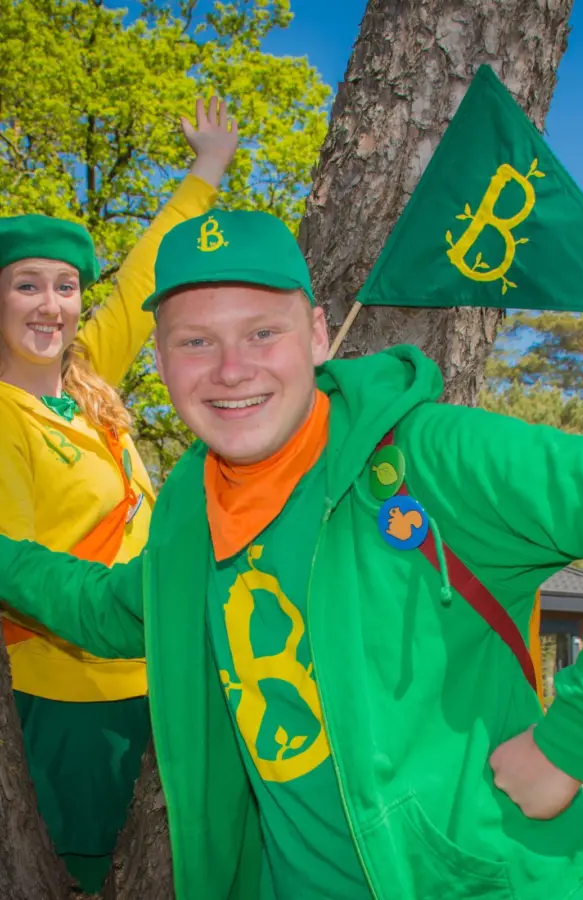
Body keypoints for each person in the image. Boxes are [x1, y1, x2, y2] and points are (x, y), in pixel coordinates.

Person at [0, 207, 583, 899]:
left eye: (263, 333)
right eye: (196, 341)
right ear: (160, 358)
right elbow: (109, 610)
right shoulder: (191, 512)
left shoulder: (430, 454)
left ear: (319, 336)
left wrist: (570, 745)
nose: (231, 369)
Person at [0, 99, 238, 892]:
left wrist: (206, 169)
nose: (51, 305)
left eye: (66, 287)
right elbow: (18, 572)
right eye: (26, 285)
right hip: (67, 695)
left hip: (152, 675)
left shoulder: (85, 377)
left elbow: (143, 282)